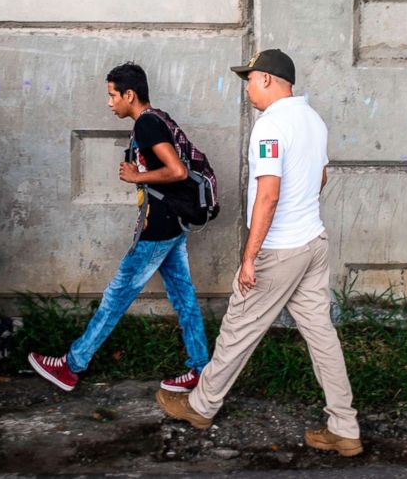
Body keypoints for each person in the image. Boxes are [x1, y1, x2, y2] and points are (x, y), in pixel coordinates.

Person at [154, 49, 363, 457]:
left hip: (280, 249)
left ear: (267, 79)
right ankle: (345, 427)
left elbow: (267, 195)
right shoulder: (313, 121)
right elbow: (320, 176)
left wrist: (250, 257)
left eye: (249, 80)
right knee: (322, 337)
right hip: (313, 244)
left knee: (238, 329)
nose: (247, 89)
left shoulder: (270, 126)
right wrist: (299, 215)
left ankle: (200, 406)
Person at [28, 62, 209, 393]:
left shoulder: (147, 125)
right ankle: (201, 370)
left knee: (117, 295)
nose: (110, 103)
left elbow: (178, 171)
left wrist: (136, 176)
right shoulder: (158, 118)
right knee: (184, 297)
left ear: (130, 94)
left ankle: (71, 366)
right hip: (172, 223)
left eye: (113, 96)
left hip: (158, 226)